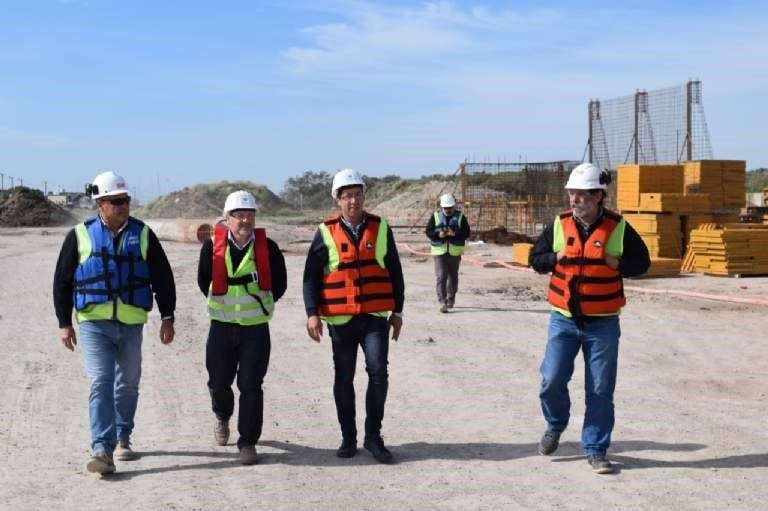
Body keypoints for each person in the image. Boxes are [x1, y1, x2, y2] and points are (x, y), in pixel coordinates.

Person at [528, 162, 650, 474]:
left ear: (598, 196)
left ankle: (596, 449)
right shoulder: (559, 224)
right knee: (550, 380)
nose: (575, 200)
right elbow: (535, 260)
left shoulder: (618, 227)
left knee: (599, 389)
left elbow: (641, 264)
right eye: (572, 193)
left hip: (603, 322)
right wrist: (555, 257)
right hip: (563, 320)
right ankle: (555, 425)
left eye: (582, 195)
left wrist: (615, 262)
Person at [53, 170, 176, 475]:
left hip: (132, 322)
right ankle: (101, 449)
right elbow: (62, 281)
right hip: (94, 324)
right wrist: (64, 323)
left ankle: (124, 435)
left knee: (128, 383)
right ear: (101, 204)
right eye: (117, 201)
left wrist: (168, 316)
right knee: (101, 382)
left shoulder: (143, 234)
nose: (124, 205)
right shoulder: (80, 235)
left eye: (126, 200)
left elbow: (163, 277)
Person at [303, 168, 405, 463]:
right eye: (347, 196)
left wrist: (397, 311)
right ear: (338, 200)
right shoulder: (325, 231)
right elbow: (311, 277)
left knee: (378, 373)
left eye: (358, 195)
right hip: (340, 320)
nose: (353, 201)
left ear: (364, 197)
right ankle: (348, 437)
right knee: (343, 377)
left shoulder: (381, 227)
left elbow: (395, 272)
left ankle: (373, 437)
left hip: (374, 316)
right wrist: (312, 314)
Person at [197, 190, 287, 465]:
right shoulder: (212, 246)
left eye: (249, 215)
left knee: (251, 384)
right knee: (219, 382)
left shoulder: (267, 247)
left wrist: (256, 303)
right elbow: (203, 281)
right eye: (239, 215)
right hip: (221, 328)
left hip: (255, 329)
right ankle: (222, 416)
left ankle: (247, 441)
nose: (245, 220)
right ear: (227, 218)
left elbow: (280, 284)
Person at [425, 192, 470, 312]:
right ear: (442, 207)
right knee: (441, 276)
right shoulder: (435, 216)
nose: (448, 210)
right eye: (446, 208)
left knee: (453, 278)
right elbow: (428, 232)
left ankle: (451, 299)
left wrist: (454, 233)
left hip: (454, 252)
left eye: (450, 207)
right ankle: (442, 302)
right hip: (439, 252)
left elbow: (467, 232)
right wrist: (438, 234)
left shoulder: (460, 217)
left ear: (453, 206)